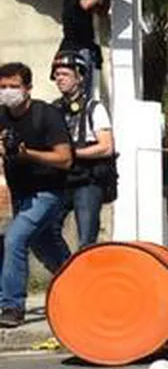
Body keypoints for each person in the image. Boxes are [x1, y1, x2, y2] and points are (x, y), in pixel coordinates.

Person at [0, 62, 73, 328]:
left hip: (48, 193)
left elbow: (65, 159)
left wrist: (27, 153)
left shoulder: (47, 115)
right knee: (46, 248)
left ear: (27, 88)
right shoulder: (1, 115)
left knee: (14, 239)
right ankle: (80, 286)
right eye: (3, 87)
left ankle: (11, 306)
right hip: (21, 194)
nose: (8, 92)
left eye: (14, 86)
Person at [49, 50, 115, 248]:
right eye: (57, 75)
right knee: (46, 229)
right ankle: (65, 269)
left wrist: (74, 153)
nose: (60, 79)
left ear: (79, 77)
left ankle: (86, 275)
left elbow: (106, 147)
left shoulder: (95, 108)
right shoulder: (53, 109)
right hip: (61, 180)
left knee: (87, 239)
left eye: (65, 74)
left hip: (87, 180)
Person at [59, 0, 114, 100]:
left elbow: (102, 11)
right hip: (76, 49)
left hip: (84, 47)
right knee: (76, 92)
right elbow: (83, 4)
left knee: (85, 93)